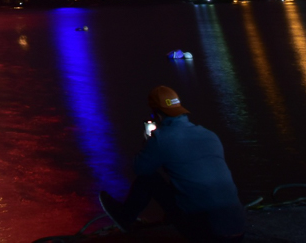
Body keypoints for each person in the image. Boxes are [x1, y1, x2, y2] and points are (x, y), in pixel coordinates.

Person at [99, 86, 244, 242]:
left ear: (158, 116)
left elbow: (139, 168)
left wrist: (148, 141)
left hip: (207, 234)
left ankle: (125, 218)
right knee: (188, 179)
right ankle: (168, 218)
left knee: (149, 180)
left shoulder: (161, 139)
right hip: (237, 230)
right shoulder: (210, 134)